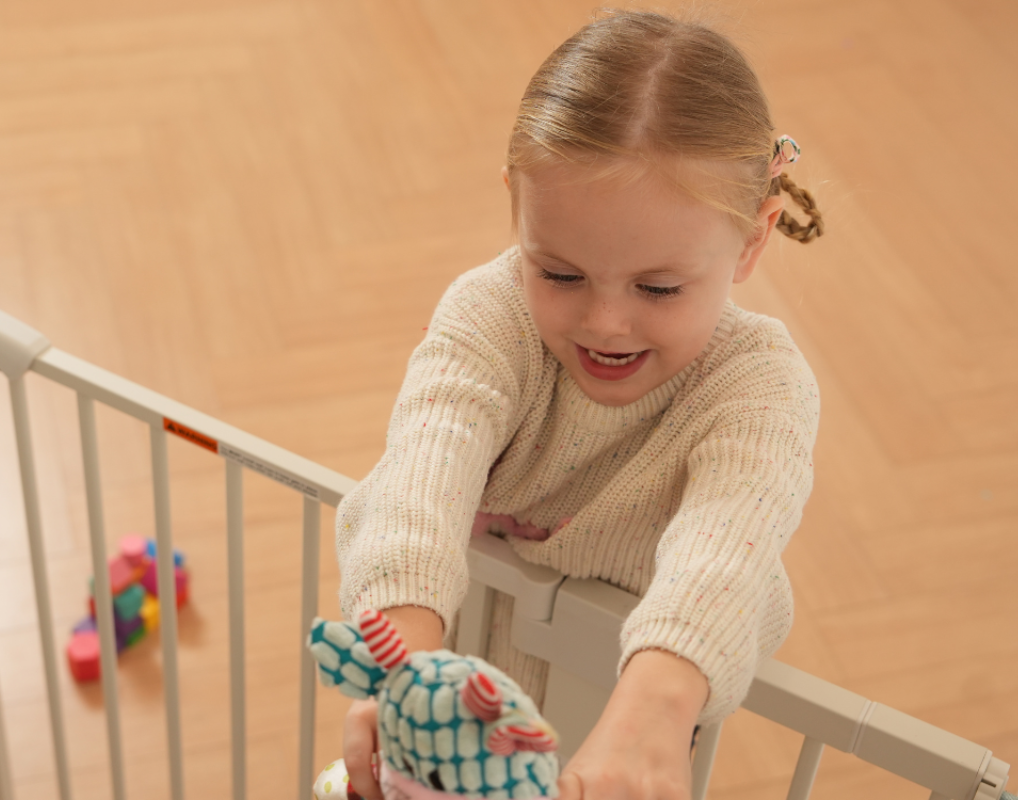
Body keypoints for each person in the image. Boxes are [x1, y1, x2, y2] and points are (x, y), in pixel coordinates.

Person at [336, 9, 824, 799]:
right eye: (560, 274)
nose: (604, 323)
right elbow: (417, 482)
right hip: (449, 735)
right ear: (515, 210)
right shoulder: (490, 316)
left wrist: (657, 711)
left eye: (659, 288)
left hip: (624, 737)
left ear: (752, 240)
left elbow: (728, 547)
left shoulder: (759, 385)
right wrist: (402, 667)